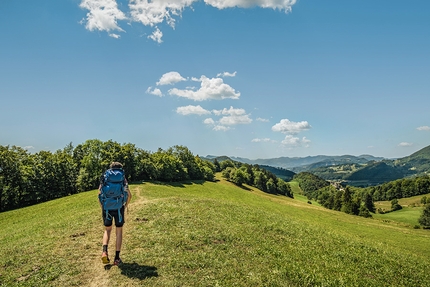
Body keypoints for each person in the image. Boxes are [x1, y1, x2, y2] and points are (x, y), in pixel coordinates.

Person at [98, 162, 132, 265]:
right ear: (120, 168)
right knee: (119, 232)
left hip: (107, 208)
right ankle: (117, 259)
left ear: (111, 169)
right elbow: (129, 195)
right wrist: (125, 205)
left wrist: (103, 207)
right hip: (119, 208)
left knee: (107, 230)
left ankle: (104, 252)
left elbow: (99, 193)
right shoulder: (123, 178)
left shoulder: (106, 177)